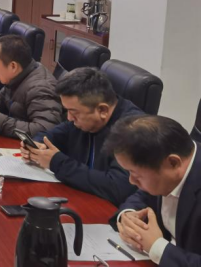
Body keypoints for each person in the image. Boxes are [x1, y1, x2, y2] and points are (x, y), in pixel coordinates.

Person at [21, 68, 142, 206]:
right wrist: (36, 146)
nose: (69, 118)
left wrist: (57, 163)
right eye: (67, 111)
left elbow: (117, 187)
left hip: (107, 210)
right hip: (80, 198)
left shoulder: (133, 131)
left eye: (74, 113)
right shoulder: (85, 117)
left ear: (102, 110)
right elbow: (49, 135)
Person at [109, 116, 200, 267]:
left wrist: (157, 247)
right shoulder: (166, 172)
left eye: (136, 174)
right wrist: (128, 216)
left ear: (173, 163)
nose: (131, 181)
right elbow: (143, 195)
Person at [0, 35, 62, 138]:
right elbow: (1, 97)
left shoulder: (40, 88)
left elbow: (45, 130)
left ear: (13, 66)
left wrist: (1, 122)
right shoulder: (20, 75)